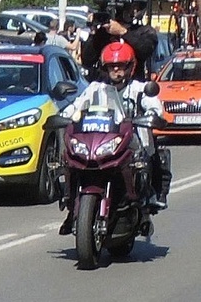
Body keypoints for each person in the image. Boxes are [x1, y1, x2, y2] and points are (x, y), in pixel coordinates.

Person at [58, 41, 171, 235]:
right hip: (100, 141)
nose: (116, 71)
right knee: (68, 161)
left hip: (132, 143)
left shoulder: (139, 89)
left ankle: (146, 202)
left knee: (144, 160)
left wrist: (152, 114)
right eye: (112, 66)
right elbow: (77, 105)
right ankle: (70, 203)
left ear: (130, 67)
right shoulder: (96, 89)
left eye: (120, 66)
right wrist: (65, 115)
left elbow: (155, 107)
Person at [81, 0, 157, 81]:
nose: (134, 11)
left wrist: (122, 32)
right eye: (130, 7)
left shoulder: (144, 31)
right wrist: (95, 32)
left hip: (133, 85)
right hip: (105, 87)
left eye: (137, 7)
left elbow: (146, 49)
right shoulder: (106, 31)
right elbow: (87, 59)